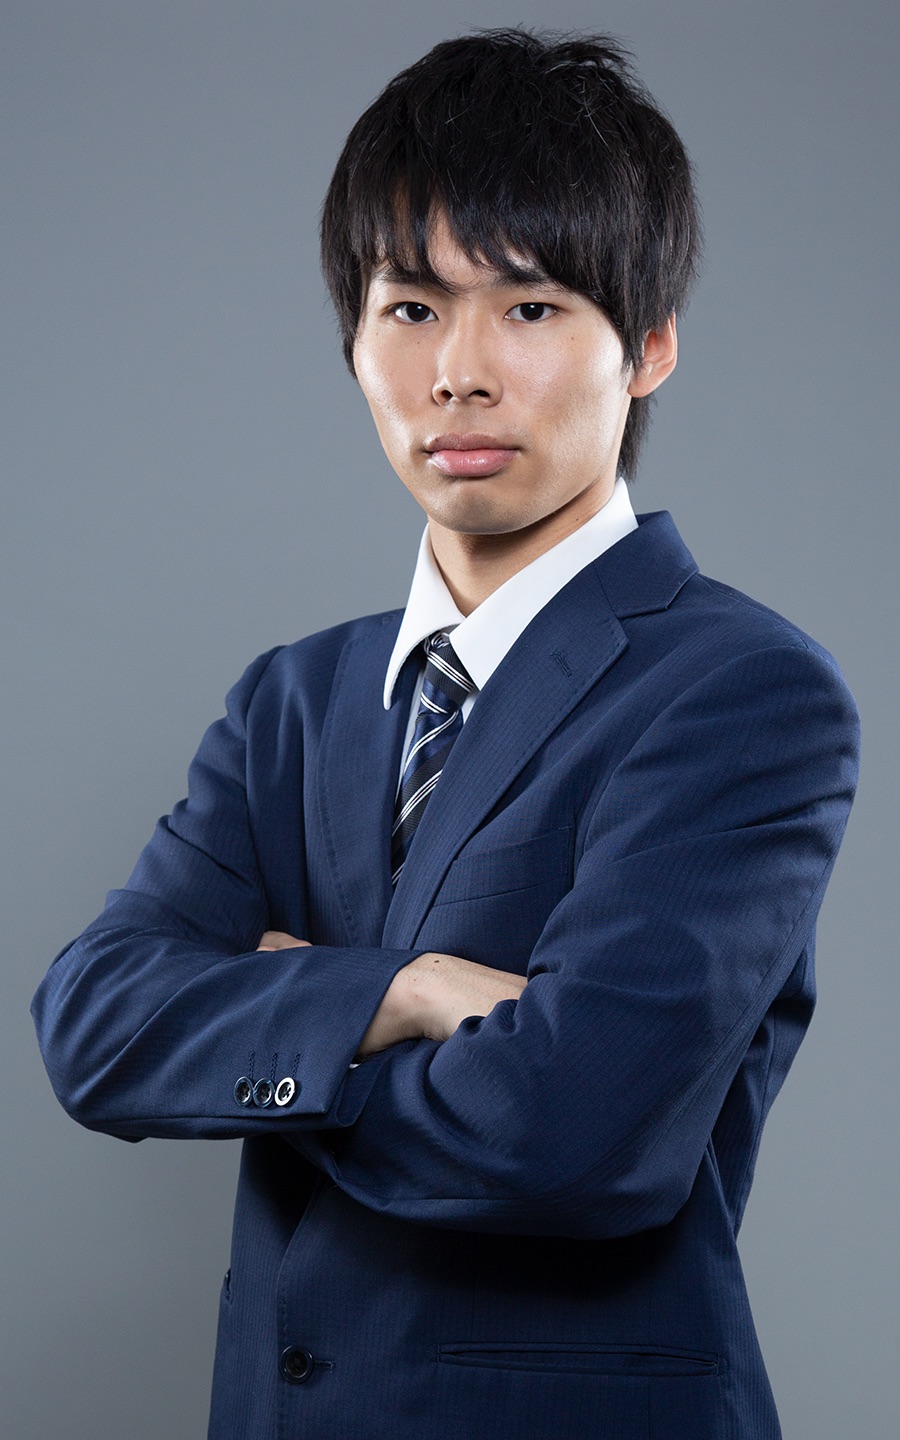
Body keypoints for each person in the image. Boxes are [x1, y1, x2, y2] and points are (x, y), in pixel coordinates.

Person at [32, 29, 860, 1440]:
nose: (459, 373)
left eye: (530, 306)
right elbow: (94, 1030)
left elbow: (574, 1133)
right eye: (410, 307)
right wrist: (408, 991)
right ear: (354, 343)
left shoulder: (743, 692)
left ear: (650, 345)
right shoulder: (294, 699)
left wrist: (279, 1031)